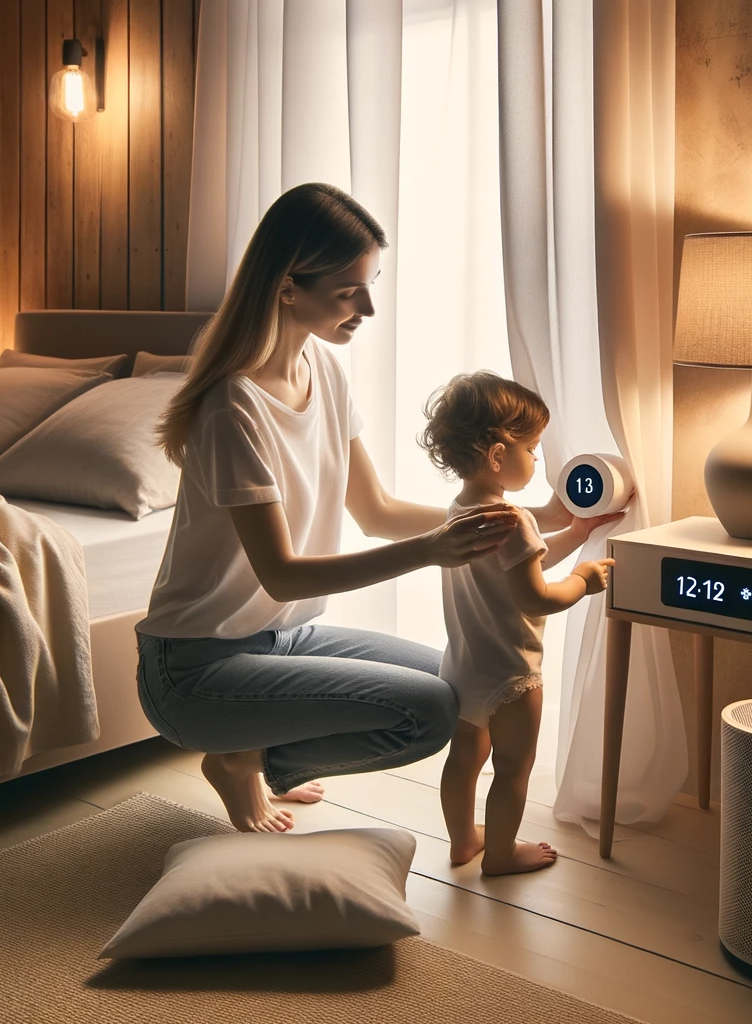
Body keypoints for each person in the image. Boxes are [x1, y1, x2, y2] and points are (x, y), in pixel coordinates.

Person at [136, 183, 573, 834]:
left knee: (452, 686)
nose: (367, 307)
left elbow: (377, 511)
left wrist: (529, 515)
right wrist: (430, 552)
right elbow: (282, 573)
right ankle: (241, 758)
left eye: (368, 286)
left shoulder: (325, 370)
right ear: (288, 287)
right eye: (348, 291)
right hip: (197, 667)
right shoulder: (234, 410)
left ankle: (246, 755)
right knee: (424, 714)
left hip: (285, 638)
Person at [419, 372, 619, 875]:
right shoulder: (515, 521)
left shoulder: (460, 511)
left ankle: (463, 841)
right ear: (497, 456)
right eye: (532, 448)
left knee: (464, 761)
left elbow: (521, 567)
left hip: (464, 666)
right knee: (511, 769)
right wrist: (584, 579)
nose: (537, 459)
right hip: (512, 672)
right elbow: (538, 594)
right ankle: (502, 855)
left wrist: (576, 530)